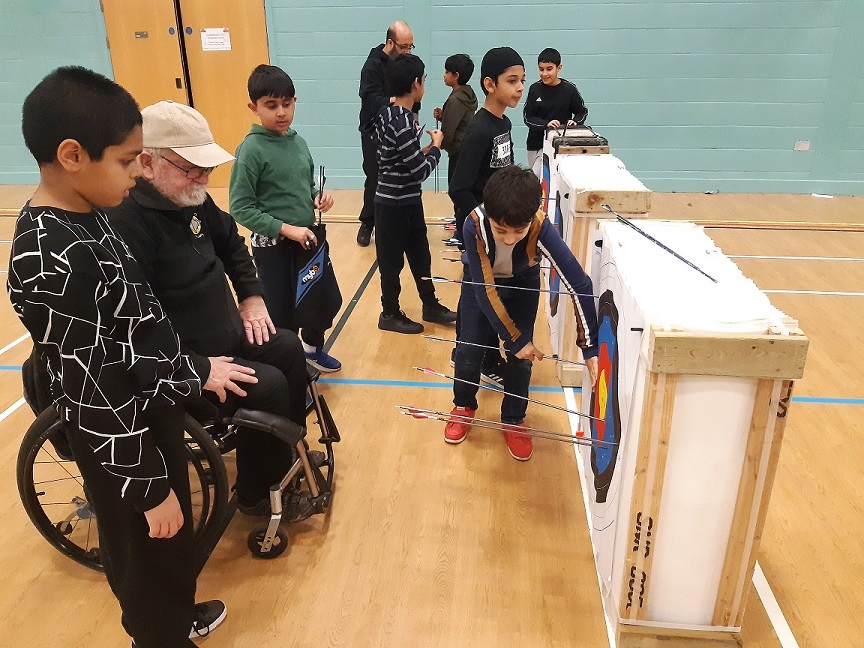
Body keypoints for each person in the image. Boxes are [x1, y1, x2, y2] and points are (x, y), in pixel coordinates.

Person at [8, 67, 226, 647]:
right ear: (73, 156)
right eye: (128, 160)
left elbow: (138, 316)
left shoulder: (93, 214)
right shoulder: (53, 253)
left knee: (172, 543)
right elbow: (91, 391)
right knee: (146, 552)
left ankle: (173, 617)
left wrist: (190, 372)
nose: (138, 172)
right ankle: (158, 634)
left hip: (150, 409)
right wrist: (147, 486)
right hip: (120, 438)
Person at [105, 100, 312, 519]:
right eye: (191, 168)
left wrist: (251, 296)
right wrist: (196, 368)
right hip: (183, 363)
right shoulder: (129, 223)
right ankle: (257, 494)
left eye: (207, 168)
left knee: (288, 347)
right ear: (147, 162)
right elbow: (136, 324)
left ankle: (282, 455)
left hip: (223, 334)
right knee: (267, 384)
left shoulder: (190, 198)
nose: (202, 178)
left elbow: (233, 244)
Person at [444, 165, 599, 461]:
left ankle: (514, 418)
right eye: (501, 230)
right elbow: (485, 291)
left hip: (522, 282)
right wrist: (514, 339)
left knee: (521, 360)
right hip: (481, 284)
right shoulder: (473, 224)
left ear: (532, 218)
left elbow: (579, 283)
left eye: (519, 230)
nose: (510, 239)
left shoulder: (540, 226)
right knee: (468, 351)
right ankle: (463, 405)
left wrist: (589, 347)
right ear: (488, 214)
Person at [229, 64, 341, 373]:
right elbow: (240, 207)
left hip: (307, 241)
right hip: (274, 248)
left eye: (287, 103)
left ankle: (313, 350)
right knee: (282, 316)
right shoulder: (250, 150)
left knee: (321, 300)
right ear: (254, 107)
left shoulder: (298, 142)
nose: (282, 112)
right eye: (271, 105)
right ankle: (290, 374)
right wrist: (285, 229)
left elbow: (306, 184)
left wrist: (317, 196)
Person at [448, 46, 525, 387]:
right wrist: (481, 225)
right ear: (490, 84)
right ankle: (481, 357)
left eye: (522, 80)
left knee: (490, 293)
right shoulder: (479, 130)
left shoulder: (504, 122)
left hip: (500, 231)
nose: (520, 87)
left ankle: (482, 354)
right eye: (512, 81)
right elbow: (459, 187)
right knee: (478, 295)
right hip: (483, 233)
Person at [374, 53, 456, 334]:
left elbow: (392, 157)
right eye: (424, 80)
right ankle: (389, 313)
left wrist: (418, 154)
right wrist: (436, 147)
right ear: (416, 83)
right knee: (391, 263)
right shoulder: (401, 121)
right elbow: (421, 171)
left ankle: (430, 304)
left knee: (421, 256)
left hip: (407, 201)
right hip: (392, 204)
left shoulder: (390, 112)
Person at [356, 20, 417, 247]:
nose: (408, 51)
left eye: (411, 46)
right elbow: (371, 100)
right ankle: (368, 222)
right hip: (373, 130)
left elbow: (412, 91)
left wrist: (414, 115)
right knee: (375, 178)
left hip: (398, 128)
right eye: (404, 47)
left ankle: (397, 225)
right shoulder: (372, 66)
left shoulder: (404, 63)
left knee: (400, 177)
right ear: (390, 43)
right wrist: (396, 100)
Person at [523, 47, 588, 169]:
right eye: (541, 69)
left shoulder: (569, 89)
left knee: (541, 176)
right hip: (535, 145)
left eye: (549, 69)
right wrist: (546, 124)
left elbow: (582, 111)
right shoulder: (534, 89)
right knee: (537, 179)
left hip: (560, 145)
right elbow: (528, 117)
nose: (544, 73)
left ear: (559, 68)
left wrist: (576, 122)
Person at [432, 54, 478, 216]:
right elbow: (460, 120)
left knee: (456, 190)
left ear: (456, 76)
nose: (444, 75)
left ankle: (462, 226)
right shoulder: (467, 95)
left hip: (457, 151)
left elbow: (449, 132)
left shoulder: (456, 100)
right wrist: (443, 115)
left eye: (447, 71)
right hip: (464, 149)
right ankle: (461, 222)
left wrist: (437, 145)